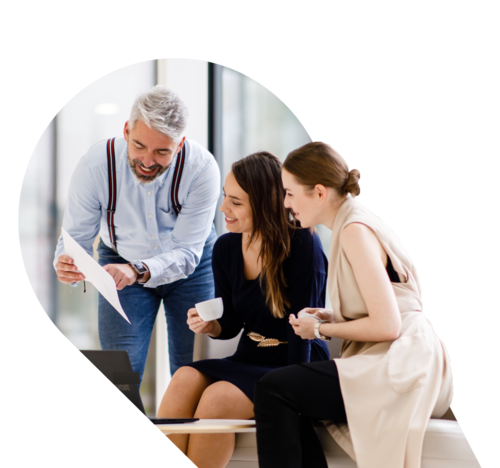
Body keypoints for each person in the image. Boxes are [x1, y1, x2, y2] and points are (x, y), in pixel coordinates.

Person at [253, 140, 455, 468]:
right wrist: (333, 316)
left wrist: (320, 329)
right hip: (409, 353)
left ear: (319, 192)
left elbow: (387, 325)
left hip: (404, 360)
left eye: (289, 193)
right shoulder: (359, 219)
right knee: (286, 391)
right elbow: (390, 306)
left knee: (274, 389)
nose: (286, 203)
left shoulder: (353, 230)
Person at [156, 152, 330, 467]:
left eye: (235, 202)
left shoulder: (303, 244)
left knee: (218, 398)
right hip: (250, 355)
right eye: (225, 197)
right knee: (183, 377)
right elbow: (232, 323)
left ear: (265, 204)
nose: (223, 208)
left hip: (295, 360)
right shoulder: (225, 248)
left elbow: (304, 328)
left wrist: (295, 389)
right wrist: (212, 326)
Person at [53, 85, 220, 382]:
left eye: (162, 151)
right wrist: (66, 262)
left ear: (179, 144)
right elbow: (75, 238)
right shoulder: (95, 166)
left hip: (193, 267)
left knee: (193, 372)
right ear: (127, 131)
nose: (147, 161)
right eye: (139, 146)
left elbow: (186, 253)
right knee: (119, 372)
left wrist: (138, 270)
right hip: (119, 261)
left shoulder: (202, 169)